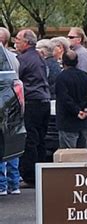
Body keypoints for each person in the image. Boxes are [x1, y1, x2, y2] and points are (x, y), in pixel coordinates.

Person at [15, 29, 51, 188]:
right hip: (44, 100)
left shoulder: (22, 59)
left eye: (18, 39)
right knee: (41, 139)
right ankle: (42, 172)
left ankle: (31, 176)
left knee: (30, 139)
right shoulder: (40, 57)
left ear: (26, 42)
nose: (15, 42)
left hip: (32, 102)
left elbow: (16, 79)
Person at [55, 50, 87, 148]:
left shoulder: (61, 77)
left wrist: (77, 111)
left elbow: (64, 98)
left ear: (63, 62)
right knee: (83, 152)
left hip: (67, 122)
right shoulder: (86, 76)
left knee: (68, 154)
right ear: (77, 62)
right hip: (84, 121)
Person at [0, 27, 21, 195]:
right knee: (10, 140)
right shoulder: (13, 59)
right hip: (12, 104)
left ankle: (2, 184)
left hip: (6, 103)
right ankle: (14, 183)